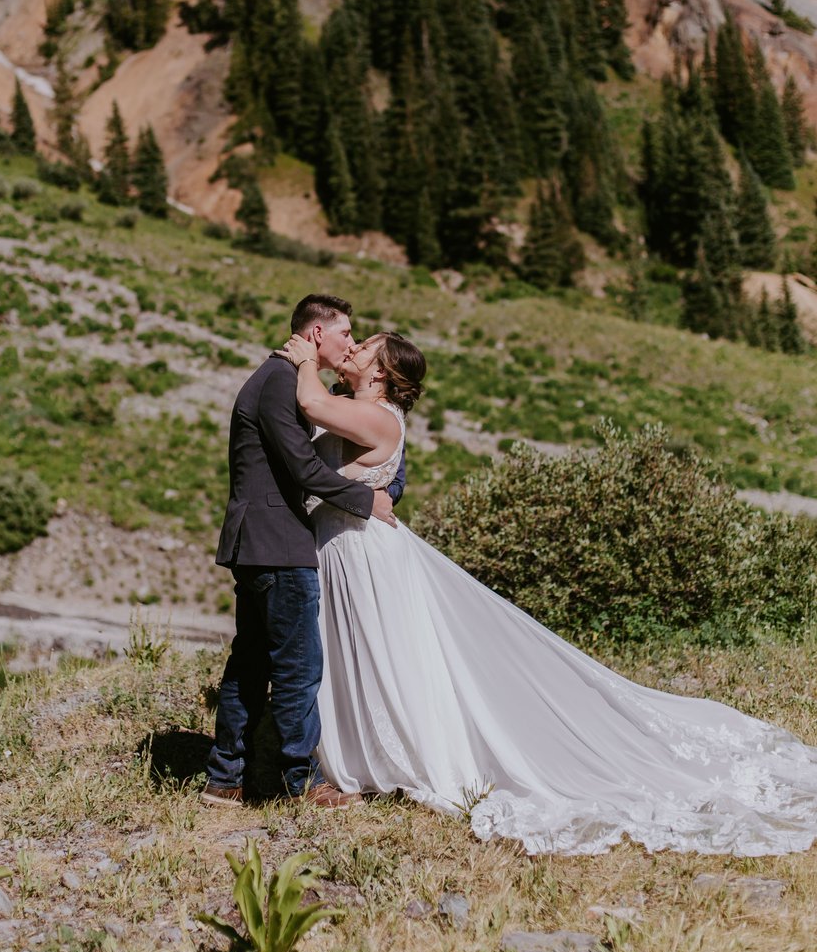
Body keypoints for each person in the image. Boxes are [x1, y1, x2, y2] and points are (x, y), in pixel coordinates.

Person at [281, 328, 817, 856]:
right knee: (365, 654)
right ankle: (364, 750)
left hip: (364, 549)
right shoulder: (359, 405)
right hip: (343, 544)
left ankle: (400, 755)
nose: (351, 348)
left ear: (383, 371)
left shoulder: (375, 416)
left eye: (365, 345)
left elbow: (309, 402)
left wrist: (306, 353)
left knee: (384, 655)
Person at [203, 294, 396, 808]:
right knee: (297, 666)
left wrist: (387, 484)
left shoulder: (288, 380)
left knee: (251, 661)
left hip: (263, 541)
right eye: (346, 334)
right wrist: (367, 502)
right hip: (277, 541)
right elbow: (304, 471)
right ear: (317, 335)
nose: (351, 343)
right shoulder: (280, 384)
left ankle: (225, 779)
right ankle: (302, 784)